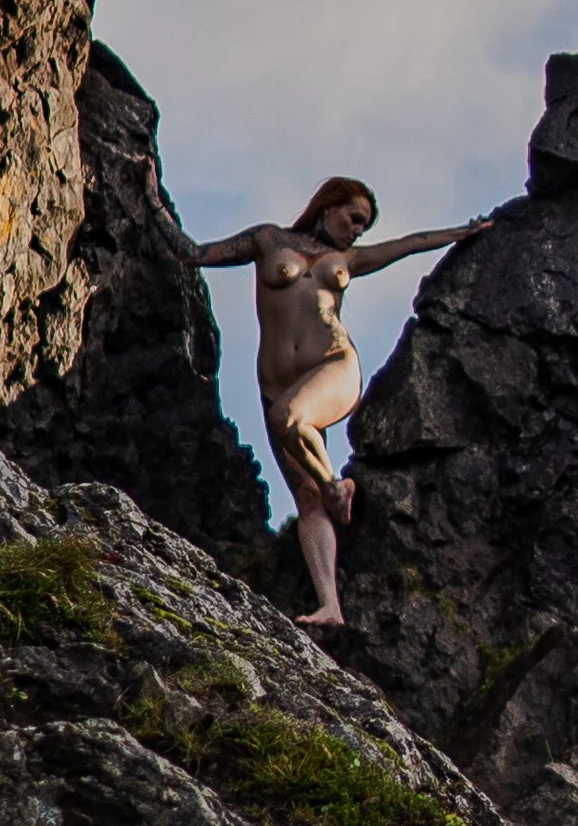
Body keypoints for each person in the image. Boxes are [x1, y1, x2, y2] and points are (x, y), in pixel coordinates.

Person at [195, 176, 495, 628]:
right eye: (355, 219)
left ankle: (336, 487)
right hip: (277, 381)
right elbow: (198, 253)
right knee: (308, 498)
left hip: (335, 366)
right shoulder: (268, 239)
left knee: (289, 420)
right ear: (328, 206)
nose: (358, 231)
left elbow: (411, 244)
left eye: (364, 226)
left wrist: (464, 232)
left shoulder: (349, 259)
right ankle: (329, 605)